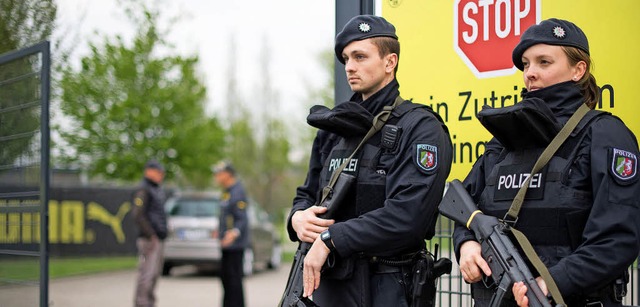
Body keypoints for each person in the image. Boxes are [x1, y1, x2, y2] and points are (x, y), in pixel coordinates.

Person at [452, 18, 640, 307]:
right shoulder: (504, 141)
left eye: (544, 62)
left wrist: (549, 284)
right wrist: (466, 245)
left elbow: (616, 240)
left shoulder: (604, 134)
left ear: (579, 70)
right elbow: (464, 205)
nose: (531, 74)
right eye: (526, 64)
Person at [286, 15, 453, 306]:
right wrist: (296, 218)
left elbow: (408, 217)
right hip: (327, 284)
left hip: (387, 285)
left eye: (360, 57)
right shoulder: (333, 128)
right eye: (346, 58)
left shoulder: (420, 127)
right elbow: (307, 193)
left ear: (390, 62)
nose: (350, 66)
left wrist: (331, 238)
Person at [213, 160, 249, 307]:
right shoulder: (227, 192)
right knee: (226, 279)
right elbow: (226, 216)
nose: (216, 177)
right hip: (227, 244)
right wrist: (219, 231)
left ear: (227, 174)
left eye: (218, 173)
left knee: (234, 281)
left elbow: (242, 218)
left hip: (235, 245)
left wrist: (233, 233)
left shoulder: (237, 191)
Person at [132, 160, 168, 307]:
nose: (161, 176)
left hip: (158, 239)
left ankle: (149, 303)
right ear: (149, 171)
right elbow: (138, 215)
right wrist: (150, 234)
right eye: (159, 172)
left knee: (154, 275)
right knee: (146, 275)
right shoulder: (144, 190)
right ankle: (142, 304)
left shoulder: (156, 189)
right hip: (149, 240)